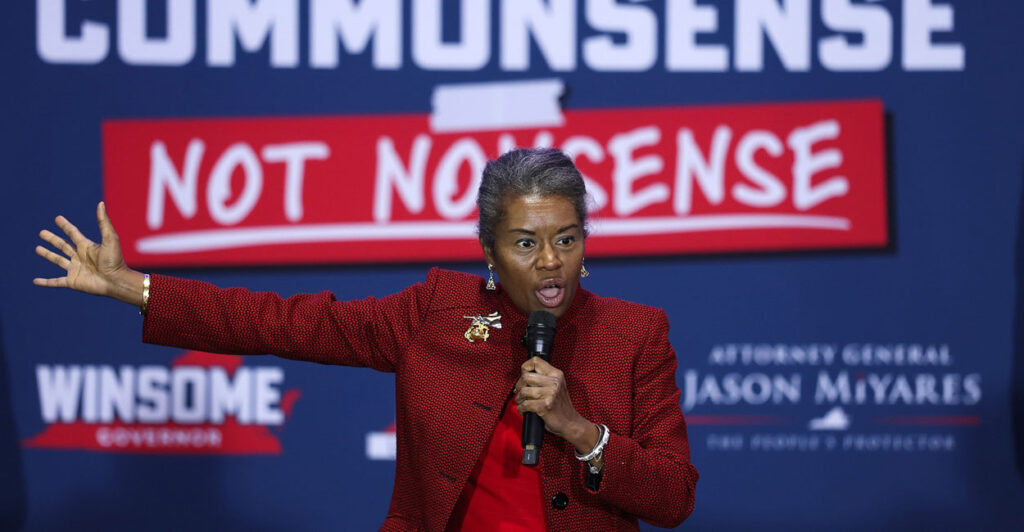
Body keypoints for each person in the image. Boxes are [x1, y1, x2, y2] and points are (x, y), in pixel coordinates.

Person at [34, 148, 698, 531]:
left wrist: (579, 429)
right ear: (490, 255)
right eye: (527, 243)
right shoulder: (439, 309)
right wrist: (135, 287)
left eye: (567, 239)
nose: (551, 261)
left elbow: (672, 497)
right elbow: (284, 322)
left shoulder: (635, 334)